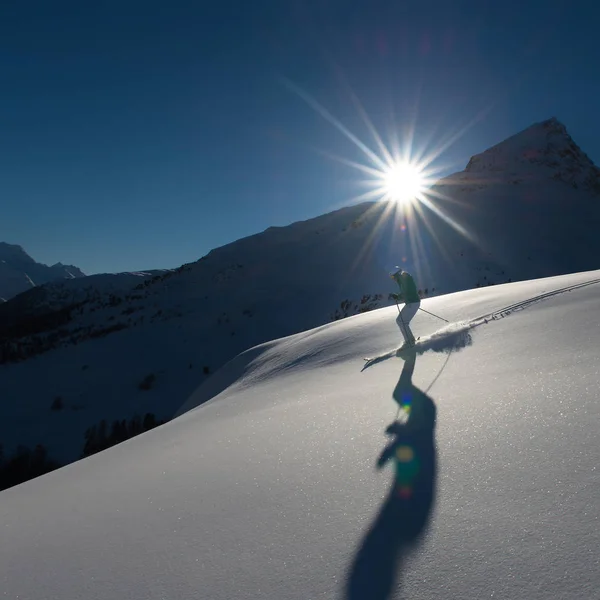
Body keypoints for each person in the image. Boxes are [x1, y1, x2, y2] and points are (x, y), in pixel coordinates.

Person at [390, 269, 420, 347]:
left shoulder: (404, 278)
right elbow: (405, 292)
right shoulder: (402, 280)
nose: (393, 279)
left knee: (401, 321)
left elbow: (407, 291)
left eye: (393, 277)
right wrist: (398, 296)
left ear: (396, 274)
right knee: (401, 321)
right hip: (412, 302)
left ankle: (409, 341)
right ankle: (410, 340)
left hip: (412, 303)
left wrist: (399, 296)